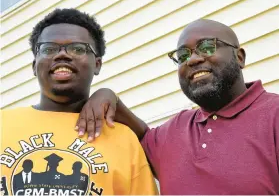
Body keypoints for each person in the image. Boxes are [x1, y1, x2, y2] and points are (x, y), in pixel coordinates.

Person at [75, 19, 279, 194]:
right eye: (182, 56)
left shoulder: (273, 115)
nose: (193, 59)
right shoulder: (176, 130)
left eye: (207, 47)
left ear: (240, 57)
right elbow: (142, 135)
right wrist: (108, 96)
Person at [0, 8, 158, 196]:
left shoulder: (124, 139)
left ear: (97, 64)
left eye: (77, 48)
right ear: (35, 65)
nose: (62, 55)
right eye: (49, 49)